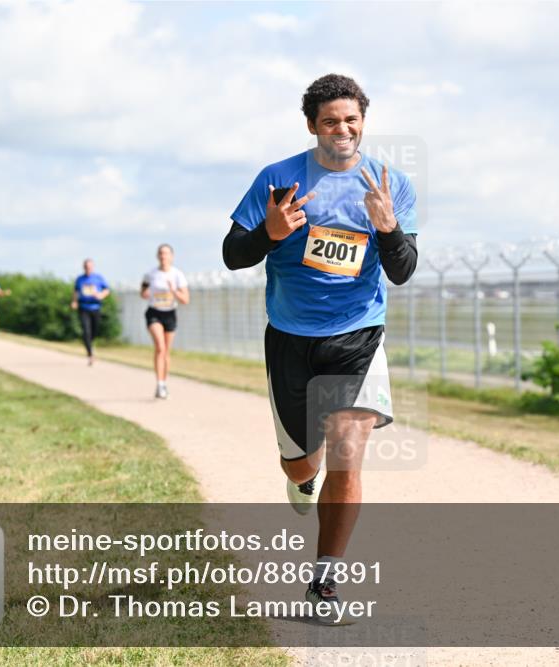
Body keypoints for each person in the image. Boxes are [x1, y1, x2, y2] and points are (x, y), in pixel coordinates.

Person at [222, 74, 418, 622]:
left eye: (351, 120)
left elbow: (402, 271)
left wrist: (387, 229)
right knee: (300, 464)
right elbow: (233, 254)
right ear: (312, 125)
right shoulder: (278, 178)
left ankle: (325, 580)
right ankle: (302, 479)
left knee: (349, 453)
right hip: (290, 337)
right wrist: (270, 232)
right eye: (330, 121)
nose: (342, 130)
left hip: (358, 335)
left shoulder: (390, 183)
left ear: (363, 124)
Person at [141, 244, 189, 398]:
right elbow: (142, 292)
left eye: (166, 253)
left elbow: (185, 300)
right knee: (160, 347)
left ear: (172, 256)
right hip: (154, 312)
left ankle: (163, 382)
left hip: (170, 314)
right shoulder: (150, 274)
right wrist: (146, 293)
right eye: (161, 253)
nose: (163, 256)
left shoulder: (177, 275)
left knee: (166, 351)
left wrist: (173, 290)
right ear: (157, 256)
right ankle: (160, 384)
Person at [72, 258, 110, 366]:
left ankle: (90, 344)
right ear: (83, 267)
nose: (87, 269)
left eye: (89, 267)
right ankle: (90, 354)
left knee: (94, 331)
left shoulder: (98, 278)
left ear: (92, 267)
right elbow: (75, 291)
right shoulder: (80, 279)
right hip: (83, 308)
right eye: (86, 267)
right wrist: (74, 301)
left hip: (95, 308)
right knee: (86, 331)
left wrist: (100, 295)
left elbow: (107, 290)